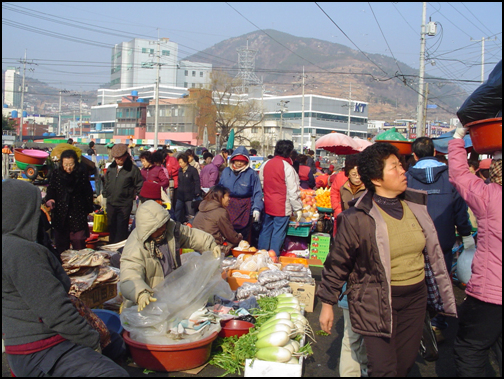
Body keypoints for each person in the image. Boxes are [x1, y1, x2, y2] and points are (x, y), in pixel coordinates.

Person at [317, 142, 457, 377]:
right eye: (394, 167)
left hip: (415, 301)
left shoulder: (416, 207)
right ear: (376, 178)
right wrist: (327, 304)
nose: (403, 171)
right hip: (376, 302)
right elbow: (338, 262)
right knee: (383, 369)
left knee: (403, 365)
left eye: (401, 165)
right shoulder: (357, 218)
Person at [3, 179, 129, 377]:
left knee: (114, 342)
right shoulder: (21, 252)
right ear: (22, 211)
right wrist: (91, 340)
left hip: (24, 349)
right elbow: (56, 311)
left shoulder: (12, 246)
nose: (42, 213)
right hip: (43, 349)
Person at [407, 136, 473, 341]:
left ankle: (415, 324)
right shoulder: (450, 178)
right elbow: (460, 210)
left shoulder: (406, 177)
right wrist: (466, 234)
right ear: (435, 153)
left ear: (414, 155)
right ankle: (437, 324)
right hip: (443, 241)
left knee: (413, 282)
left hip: (412, 241)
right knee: (440, 281)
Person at [449, 126, 502, 377]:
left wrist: (458, 139)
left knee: (470, 349)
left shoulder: (490, 197)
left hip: (489, 295)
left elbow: (460, 175)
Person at [120, 200, 220, 311]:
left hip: (171, 295)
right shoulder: (136, 247)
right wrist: (141, 293)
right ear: (148, 230)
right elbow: (129, 276)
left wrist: (210, 244)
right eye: (158, 228)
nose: (163, 229)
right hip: (148, 302)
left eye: (164, 225)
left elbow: (190, 235)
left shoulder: (169, 229)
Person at [44, 149, 94, 258]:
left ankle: (81, 267)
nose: (68, 168)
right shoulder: (56, 174)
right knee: (62, 245)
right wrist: (50, 200)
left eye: (71, 164)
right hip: (61, 214)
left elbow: (88, 192)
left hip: (78, 213)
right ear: (61, 163)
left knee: (79, 241)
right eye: (65, 165)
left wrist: (88, 208)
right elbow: (51, 190)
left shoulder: (82, 174)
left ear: (75, 163)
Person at [258, 140, 302, 256]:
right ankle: (273, 257)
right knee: (278, 232)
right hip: (282, 205)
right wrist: (298, 208)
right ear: (289, 152)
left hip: (267, 203)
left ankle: (261, 255)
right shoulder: (287, 167)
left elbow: (261, 183)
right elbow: (293, 190)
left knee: (266, 230)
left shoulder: (266, 164)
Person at [219, 146, 264, 241]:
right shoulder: (226, 172)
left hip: (245, 208)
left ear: (246, 161)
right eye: (237, 160)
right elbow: (219, 189)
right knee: (227, 232)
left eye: (242, 161)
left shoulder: (252, 174)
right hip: (228, 206)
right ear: (232, 160)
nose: (239, 163)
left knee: (244, 236)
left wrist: (257, 208)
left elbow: (257, 192)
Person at [103, 143, 144, 244]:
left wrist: (141, 201)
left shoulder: (133, 170)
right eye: (115, 158)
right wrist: (104, 196)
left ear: (125, 156)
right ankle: (112, 248)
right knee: (112, 227)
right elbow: (106, 183)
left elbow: (139, 185)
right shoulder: (111, 168)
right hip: (111, 203)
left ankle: (120, 250)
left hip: (124, 204)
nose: (117, 160)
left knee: (121, 229)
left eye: (119, 158)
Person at [192, 184, 243, 255]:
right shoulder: (220, 212)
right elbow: (231, 236)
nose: (229, 199)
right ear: (221, 197)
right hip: (212, 249)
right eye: (227, 196)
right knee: (237, 245)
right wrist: (240, 237)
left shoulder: (202, 208)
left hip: (196, 247)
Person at [175, 153, 201, 223]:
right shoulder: (180, 170)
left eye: (181, 162)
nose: (180, 164)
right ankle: (176, 224)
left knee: (190, 213)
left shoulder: (192, 170)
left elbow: (197, 181)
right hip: (180, 195)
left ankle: (191, 226)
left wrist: (197, 191)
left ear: (186, 162)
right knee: (178, 210)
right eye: (179, 162)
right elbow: (179, 182)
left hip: (189, 196)